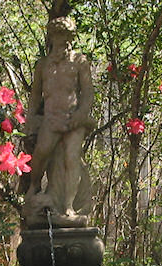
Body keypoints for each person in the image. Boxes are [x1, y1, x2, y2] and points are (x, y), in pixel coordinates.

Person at [23, 16, 96, 229]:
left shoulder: (79, 61)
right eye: (59, 36)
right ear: (52, 37)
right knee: (42, 153)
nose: (63, 40)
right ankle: (34, 187)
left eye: (67, 36)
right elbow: (35, 95)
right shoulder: (43, 65)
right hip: (50, 119)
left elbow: (87, 92)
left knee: (72, 159)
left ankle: (68, 207)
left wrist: (81, 114)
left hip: (74, 120)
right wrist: (31, 119)